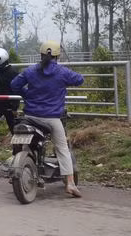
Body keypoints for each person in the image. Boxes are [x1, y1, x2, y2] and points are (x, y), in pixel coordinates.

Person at [10, 41, 84, 198]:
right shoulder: (62, 72)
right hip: (52, 118)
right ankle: (70, 183)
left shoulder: (30, 71)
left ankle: (24, 165)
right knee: (62, 148)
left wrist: (26, 94)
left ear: (41, 55)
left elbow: (14, 84)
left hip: (30, 116)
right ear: (57, 56)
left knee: (21, 142)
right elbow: (79, 79)